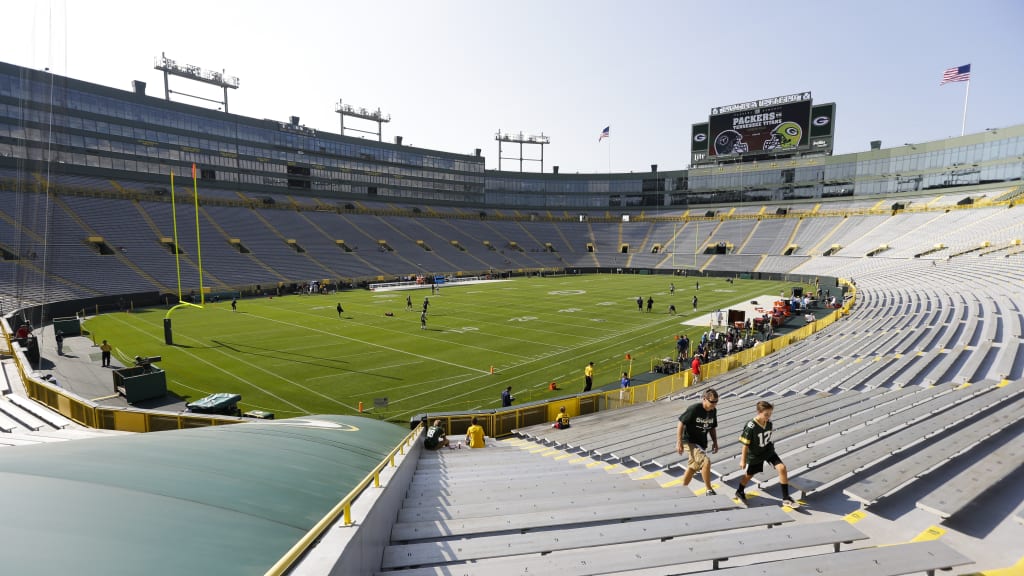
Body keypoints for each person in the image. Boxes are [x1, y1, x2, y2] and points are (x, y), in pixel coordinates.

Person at [736, 401, 795, 507]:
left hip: (767, 450)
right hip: (756, 454)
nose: (768, 416)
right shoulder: (751, 426)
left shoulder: (769, 423)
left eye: (770, 414)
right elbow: (745, 445)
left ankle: (786, 498)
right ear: (759, 412)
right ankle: (740, 491)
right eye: (766, 414)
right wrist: (743, 460)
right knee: (749, 475)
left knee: (782, 468)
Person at [676, 388, 719, 495]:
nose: (714, 404)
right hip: (689, 441)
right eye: (712, 401)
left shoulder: (713, 411)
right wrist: (679, 441)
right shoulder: (695, 409)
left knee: (693, 467)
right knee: (706, 461)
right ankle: (709, 490)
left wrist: (715, 442)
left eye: (716, 402)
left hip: (701, 443)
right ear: (704, 399)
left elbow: (712, 427)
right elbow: (681, 422)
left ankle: (682, 490)